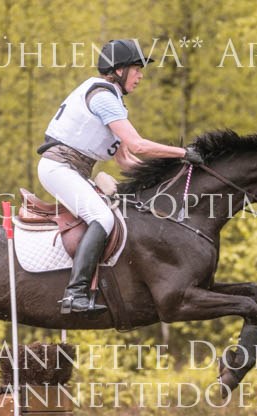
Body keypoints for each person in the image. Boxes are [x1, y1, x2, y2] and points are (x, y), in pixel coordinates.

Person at [38, 38, 204, 314]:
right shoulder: (104, 98)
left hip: (71, 169)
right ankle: (75, 294)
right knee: (102, 218)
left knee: (116, 213)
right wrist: (183, 153)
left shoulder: (111, 100)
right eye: (136, 69)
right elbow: (138, 145)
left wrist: (164, 179)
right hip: (59, 167)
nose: (140, 76)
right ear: (119, 70)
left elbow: (126, 160)